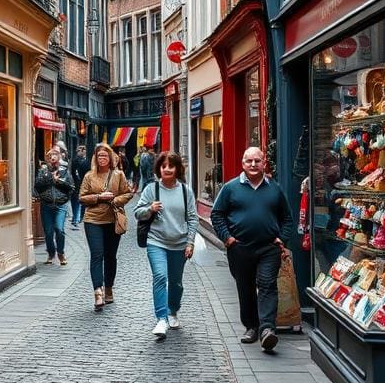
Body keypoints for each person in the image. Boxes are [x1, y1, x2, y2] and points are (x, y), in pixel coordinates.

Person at [211, 146, 295, 352]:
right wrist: (227, 238)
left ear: (264, 163)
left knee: (267, 285)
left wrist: (281, 239)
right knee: (245, 286)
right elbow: (217, 214)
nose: (253, 165)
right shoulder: (231, 188)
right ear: (243, 163)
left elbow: (287, 218)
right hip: (240, 248)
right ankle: (251, 327)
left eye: (257, 161)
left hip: (268, 248)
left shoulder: (274, 188)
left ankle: (267, 329)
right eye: (249, 161)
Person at [134, 151, 198, 340]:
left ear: (177, 169)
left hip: (179, 243)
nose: (167, 169)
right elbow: (137, 213)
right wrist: (149, 209)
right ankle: (161, 318)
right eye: (164, 166)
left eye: (171, 166)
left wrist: (190, 242)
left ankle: (173, 310)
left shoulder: (186, 191)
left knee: (176, 283)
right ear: (159, 169)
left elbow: (192, 218)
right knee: (160, 277)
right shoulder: (151, 189)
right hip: (157, 241)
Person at [79, 143, 134, 311]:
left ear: (110, 158)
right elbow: (82, 197)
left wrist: (116, 200)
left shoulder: (118, 175)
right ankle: (98, 291)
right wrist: (99, 197)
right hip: (93, 220)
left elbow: (128, 193)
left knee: (110, 256)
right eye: (99, 156)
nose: (102, 158)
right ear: (95, 158)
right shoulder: (89, 176)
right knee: (97, 255)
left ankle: (109, 287)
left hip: (112, 220)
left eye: (105, 156)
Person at [34, 147, 73, 265]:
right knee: (49, 232)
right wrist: (51, 179)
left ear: (59, 158)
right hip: (46, 205)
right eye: (50, 157)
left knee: (59, 229)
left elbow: (71, 187)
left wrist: (59, 181)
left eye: (55, 156)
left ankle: (60, 253)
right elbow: (38, 186)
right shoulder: (43, 172)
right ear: (47, 159)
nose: (52, 158)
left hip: (61, 205)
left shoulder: (65, 171)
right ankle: (51, 253)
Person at [69, 145, 88, 230]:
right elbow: (73, 172)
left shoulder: (88, 161)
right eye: (78, 150)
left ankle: (80, 217)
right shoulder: (75, 161)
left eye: (81, 150)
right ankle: (76, 218)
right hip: (77, 184)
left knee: (83, 201)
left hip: (85, 184)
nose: (79, 152)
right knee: (76, 201)